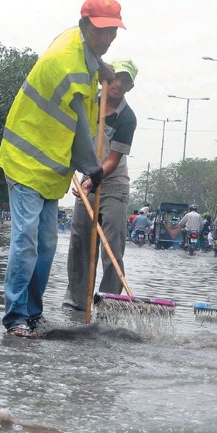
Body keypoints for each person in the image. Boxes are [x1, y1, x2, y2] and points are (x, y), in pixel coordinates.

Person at [0, 0, 123, 337]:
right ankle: (15, 318)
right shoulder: (67, 67)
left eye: (112, 31)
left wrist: (101, 66)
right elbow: (83, 128)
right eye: (101, 31)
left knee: (47, 244)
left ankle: (33, 313)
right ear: (84, 25)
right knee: (26, 241)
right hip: (26, 159)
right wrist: (93, 169)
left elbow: (90, 61)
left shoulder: (78, 46)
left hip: (51, 166)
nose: (107, 38)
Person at [63, 59, 138, 311]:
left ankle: (109, 305)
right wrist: (83, 178)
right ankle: (76, 302)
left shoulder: (126, 117)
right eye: (115, 77)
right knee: (80, 246)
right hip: (87, 182)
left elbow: (113, 161)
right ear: (106, 77)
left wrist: (93, 179)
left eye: (125, 81)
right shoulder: (88, 102)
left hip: (113, 186)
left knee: (111, 250)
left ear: (130, 87)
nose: (118, 84)